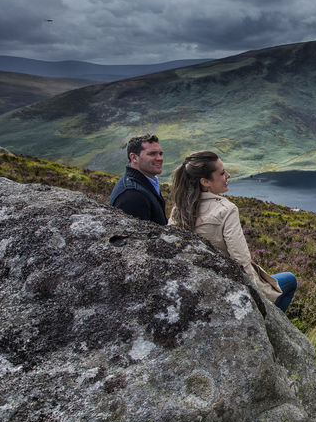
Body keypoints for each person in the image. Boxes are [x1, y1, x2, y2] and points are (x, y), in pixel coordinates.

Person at [168, 150, 297, 312]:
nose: (228, 175)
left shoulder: (178, 210)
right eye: (222, 173)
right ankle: (273, 325)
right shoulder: (226, 210)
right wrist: (260, 301)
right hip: (227, 286)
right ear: (205, 182)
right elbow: (241, 261)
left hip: (193, 285)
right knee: (290, 280)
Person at [109, 134, 168, 225]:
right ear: (134, 157)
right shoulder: (132, 195)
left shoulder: (146, 183)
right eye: (152, 154)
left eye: (160, 154)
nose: (159, 158)